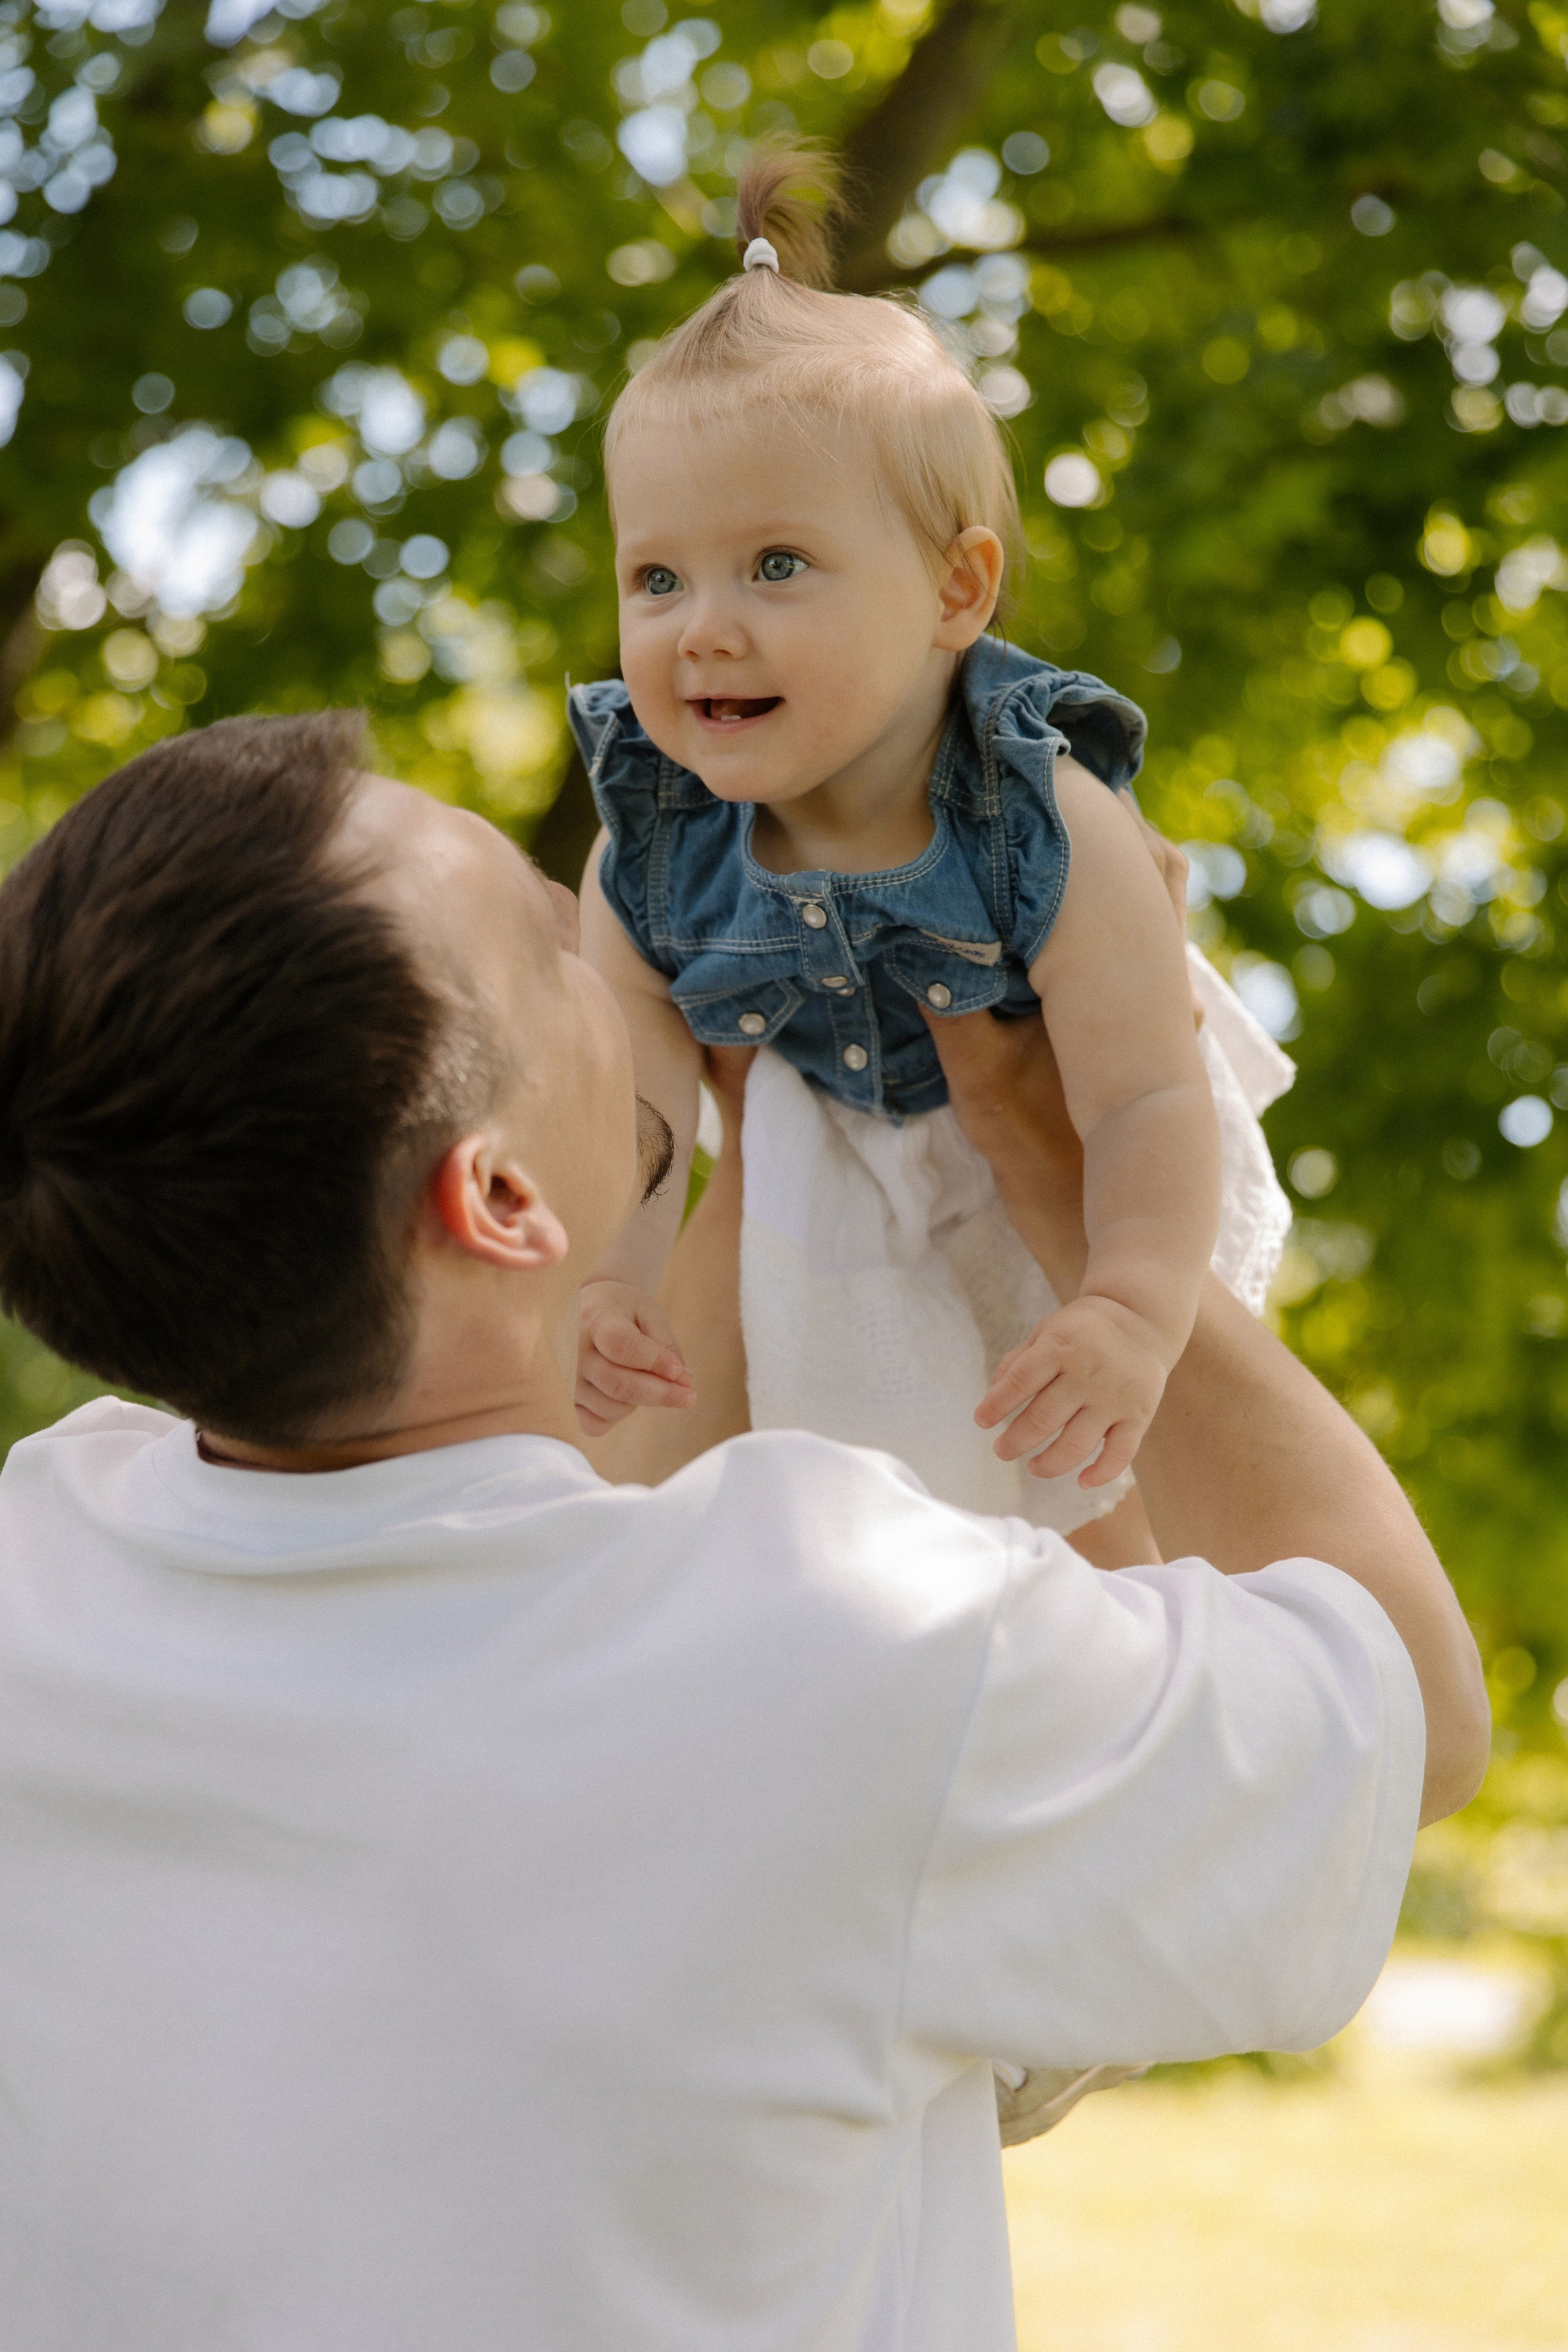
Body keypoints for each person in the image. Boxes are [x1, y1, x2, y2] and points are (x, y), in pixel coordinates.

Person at [0, 713, 1487, 2351]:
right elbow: (1406, 1695)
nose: (617, 927)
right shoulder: (850, 1649)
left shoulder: (46, 1564)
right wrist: (1078, 1193)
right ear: (496, 1203)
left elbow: (570, 1527)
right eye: (548, 935)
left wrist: (744, 1123)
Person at [571, 147, 1294, 1562]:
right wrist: (614, 1277)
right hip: (815, 1164)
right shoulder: (649, 855)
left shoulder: (1039, 818)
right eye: (656, 577)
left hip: (1077, 1155)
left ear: (952, 591)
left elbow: (1145, 1096)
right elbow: (640, 1110)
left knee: (1090, 1477)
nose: (700, 626)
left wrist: (1132, 1310)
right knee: (804, 1507)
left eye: (775, 564)